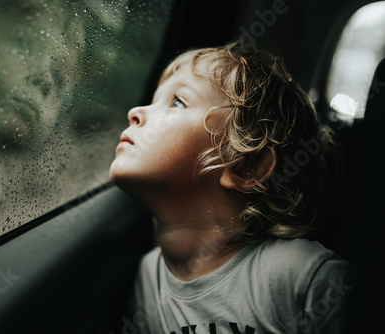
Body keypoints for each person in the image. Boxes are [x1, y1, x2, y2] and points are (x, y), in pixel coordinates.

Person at [109, 41, 350, 333]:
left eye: (176, 102)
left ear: (243, 166)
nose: (136, 111)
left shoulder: (304, 277)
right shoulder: (147, 279)